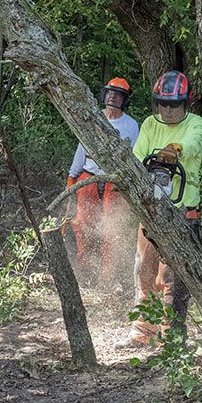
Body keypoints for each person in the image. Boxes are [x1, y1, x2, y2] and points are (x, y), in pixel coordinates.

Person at [119, 70, 202, 347]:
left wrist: (176, 148)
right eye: (163, 104)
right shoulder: (149, 123)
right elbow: (136, 154)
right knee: (143, 272)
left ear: (185, 104)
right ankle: (143, 332)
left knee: (171, 277)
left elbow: (193, 145)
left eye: (174, 105)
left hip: (182, 209)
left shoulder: (196, 123)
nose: (167, 110)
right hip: (151, 208)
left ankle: (171, 339)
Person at [65, 77, 139, 281]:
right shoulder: (94, 119)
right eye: (110, 93)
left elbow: (136, 156)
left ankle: (108, 276)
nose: (113, 97)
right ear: (104, 95)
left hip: (114, 181)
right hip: (88, 177)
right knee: (82, 224)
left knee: (111, 228)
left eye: (118, 95)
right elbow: (82, 148)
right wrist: (72, 176)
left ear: (125, 99)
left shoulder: (130, 125)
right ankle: (84, 269)